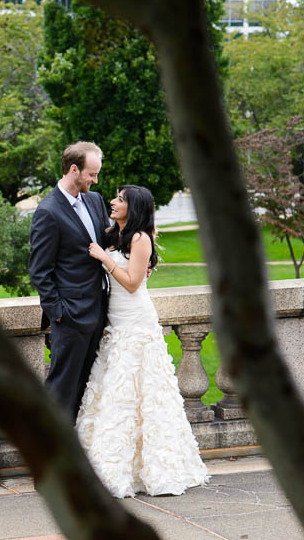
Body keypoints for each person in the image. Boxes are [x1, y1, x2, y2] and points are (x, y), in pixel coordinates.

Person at [80, 185, 209, 498]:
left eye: (120, 199)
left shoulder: (140, 239)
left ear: (133, 207)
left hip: (137, 323)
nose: (112, 201)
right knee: (116, 392)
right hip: (117, 323)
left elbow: (133, 283)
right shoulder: (115, 233)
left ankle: (150, 467)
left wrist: (102, 258)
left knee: (142, 394)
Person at [28, 141, 109, 422]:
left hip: (100, 311)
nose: (95, 180)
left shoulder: (95, 200)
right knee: (62, 389)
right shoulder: (48, 212)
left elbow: (108, 241)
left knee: (87, 386)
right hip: (71, 318)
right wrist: (59, 313)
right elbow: (39, 271)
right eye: (91, 174)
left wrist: (145, 254)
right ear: (74, 170)